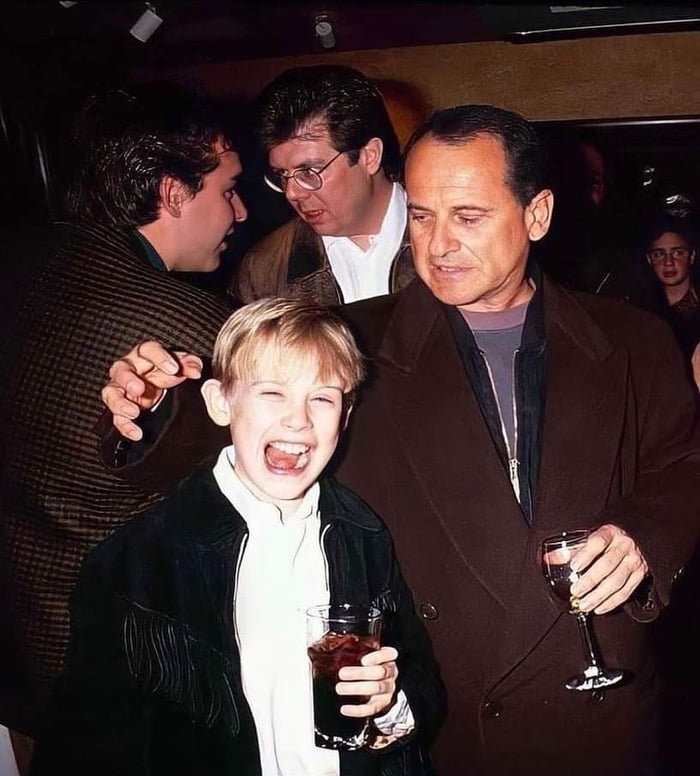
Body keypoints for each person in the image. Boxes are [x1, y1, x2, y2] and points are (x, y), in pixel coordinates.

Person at [101, 105, 700, 776]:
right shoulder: (353, 339)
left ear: (537, 215)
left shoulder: (633, 338)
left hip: (602, 717)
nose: (438, 245)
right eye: (421, 215)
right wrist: (156, 407)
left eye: (468, 217)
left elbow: (686, 461)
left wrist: (644, 535)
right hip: (442, 719)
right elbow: (249, 429)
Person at [32, 299, 444, 776]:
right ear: (220, 402)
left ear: (346, 416)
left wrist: (391, 703)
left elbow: (421, 679)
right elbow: (85, 745)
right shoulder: (139, 562)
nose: (299, 419)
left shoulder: (364, 533)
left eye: (323, 397)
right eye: (272, 393)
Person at [0, 85, 246, 739]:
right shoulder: (193, 323)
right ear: (172, 195)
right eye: (227, 189)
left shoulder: (22, 264)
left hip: (21, 658)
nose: (241, 211)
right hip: (125, 682)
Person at [235, 65, 416, 304]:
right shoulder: (264, 270)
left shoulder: (448, 238)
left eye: (308, 171)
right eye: (281, 174)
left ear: (369, 156)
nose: (292, 193)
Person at [644, 217, 700, 374]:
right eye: (659, 254)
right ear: (649, 259)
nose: (668, 262)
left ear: (692, 256)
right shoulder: (641, 311)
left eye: (678, 253)